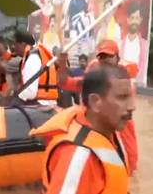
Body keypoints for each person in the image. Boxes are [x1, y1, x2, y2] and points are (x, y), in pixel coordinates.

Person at [31, 65, 133, 194]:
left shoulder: (110, 132)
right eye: (122, 97)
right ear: (95, 102)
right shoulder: (78, 156)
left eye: (130, 96)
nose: (132, 106)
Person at [58, 39, 139, 174]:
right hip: (94, 141)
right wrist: (62, 61)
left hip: (119, 141)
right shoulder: (92, 82)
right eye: (102, 56)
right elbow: (64, 83)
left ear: (117, 58)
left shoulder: (124, 84)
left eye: (109, 56)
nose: (105, 60)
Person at [13, 32, 58, 106]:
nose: (14, 47)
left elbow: (31, 92)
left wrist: (16, 98)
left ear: (23, 44)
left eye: (15, 44)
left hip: (41, 105)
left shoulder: (32, 58)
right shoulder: (32, 56)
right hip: (42, 103)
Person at [119, 1, 148, 82]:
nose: (134, 21)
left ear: (140, 20)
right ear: (128, 20)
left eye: (137, 18)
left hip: (139, 87)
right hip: (123, 84)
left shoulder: (146, 46)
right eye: (132, 18)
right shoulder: (119, 44)